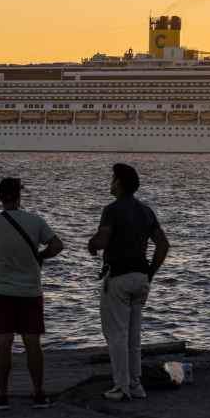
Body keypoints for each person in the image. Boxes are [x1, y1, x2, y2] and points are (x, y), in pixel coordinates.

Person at [0, 177, 64, 410]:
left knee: (3, 342)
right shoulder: (35, 221)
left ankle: (2, 396)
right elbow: (57, 246)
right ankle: (39, 395)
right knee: (32, 342)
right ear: (19, 196)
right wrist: (39, 257)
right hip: (30, 291)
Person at [87, 163, 170, 401]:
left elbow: (102, 240)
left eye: (113, 179)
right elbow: (163, 245)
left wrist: (91, 245)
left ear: (120, 184)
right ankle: (136, 385)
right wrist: (150, 273)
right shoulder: (146, 211)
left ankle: (120, 387)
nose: (110, 183)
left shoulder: (111, 210)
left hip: (119, 279)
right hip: (141, 278)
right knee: (134, 338)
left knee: (116, 335)